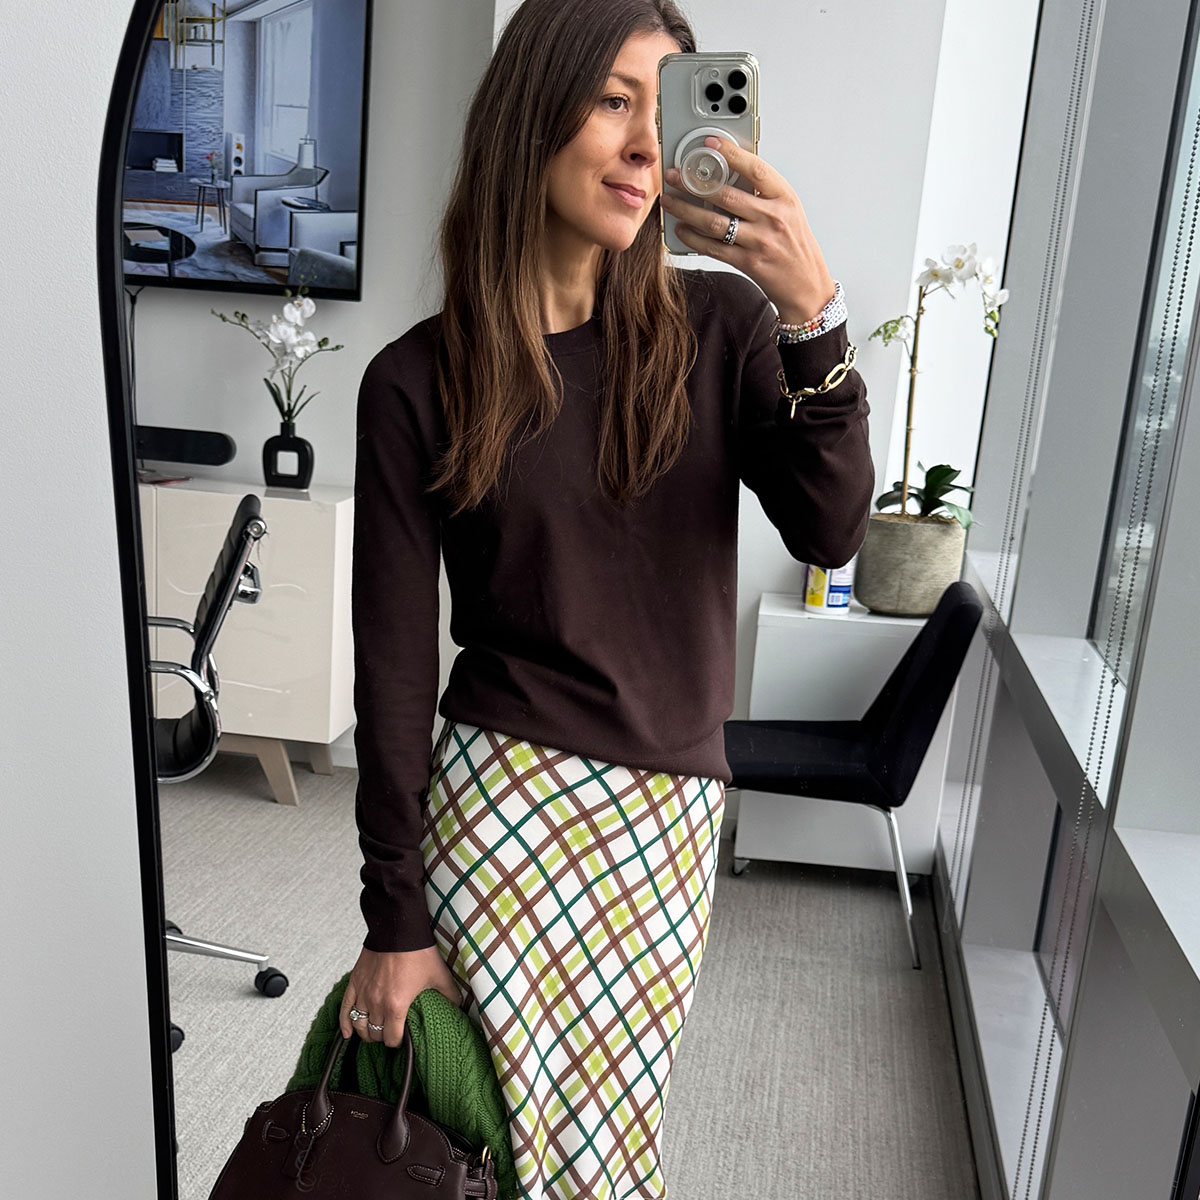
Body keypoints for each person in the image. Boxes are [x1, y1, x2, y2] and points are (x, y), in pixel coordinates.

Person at [341, 0, 873, 1196]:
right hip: (504, 816)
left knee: (605, 1164)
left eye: (668, 103)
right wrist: (395, 917)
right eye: (612, 99)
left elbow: (831, 527)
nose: (646, 146)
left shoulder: (725, 325)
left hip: (668, 829)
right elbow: (393, 670)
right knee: (474, 1153)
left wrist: (813, 315)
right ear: (533, 109)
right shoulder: (414, 379)